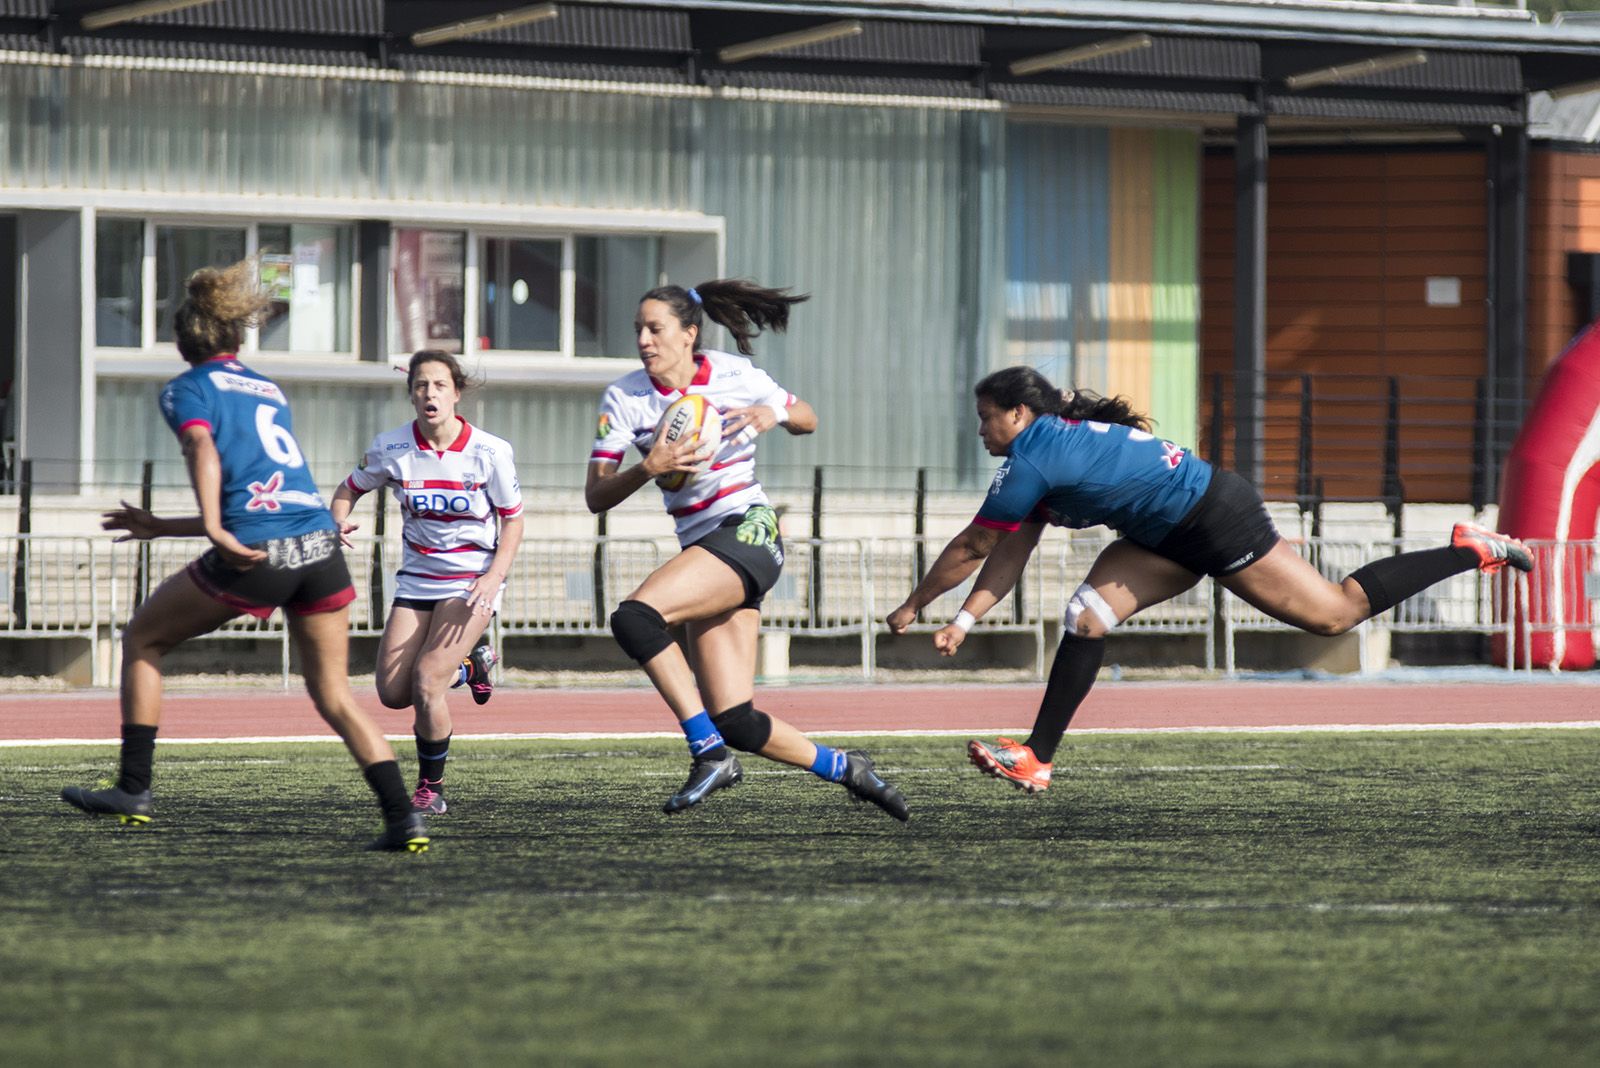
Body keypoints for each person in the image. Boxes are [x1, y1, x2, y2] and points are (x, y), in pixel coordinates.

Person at [888, 365, 1534, 794]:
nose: (980, 430)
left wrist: (913, 604)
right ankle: (1038, 758)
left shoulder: (1033, 457)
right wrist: (964, 619)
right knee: (1086, 617)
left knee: (1334, 614)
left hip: (1211, 517)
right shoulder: (1043, 450)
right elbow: (1009, 551)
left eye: (986, 417)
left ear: (1019, 414)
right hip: (1160, 535)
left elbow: (974, 545)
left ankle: (1469, 549)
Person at [61, 259, 429, 852]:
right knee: (334, 694)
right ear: (235, 337)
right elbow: (266, 499)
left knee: (144, 639)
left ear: (183, 341)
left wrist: (211, 526)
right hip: (319, 545)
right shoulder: (266, 388)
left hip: (264, 553)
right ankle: (404, 818)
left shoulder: (187, 388)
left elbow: (202, 447)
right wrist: (164, 526)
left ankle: (133, 789)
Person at [586, 280, 908, 821]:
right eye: (638, 329)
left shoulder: (735, 374)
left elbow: (807, 417)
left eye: (655, 329)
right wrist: (648, 468)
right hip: (705, 549)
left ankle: (708, 753)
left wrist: (771, 413)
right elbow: (596, 495)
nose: (643, 340)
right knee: (735, 718)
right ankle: (846, 767)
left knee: (635, 618)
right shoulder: (624, 397)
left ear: (689, 334)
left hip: (749, 530)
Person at [329, 350, 524, 816]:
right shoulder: (392, 447)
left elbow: (514, 520)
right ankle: (472, 667)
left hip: (471, 581)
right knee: (394, 693)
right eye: (421, 385)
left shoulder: (490, 451)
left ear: (456, 393)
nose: (429, 393)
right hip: (417, 580)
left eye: (439, 385)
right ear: (411, 394)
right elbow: (349, 487)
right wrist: (336, 519)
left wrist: (494, 577)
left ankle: (430, 789)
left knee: (427, 681)